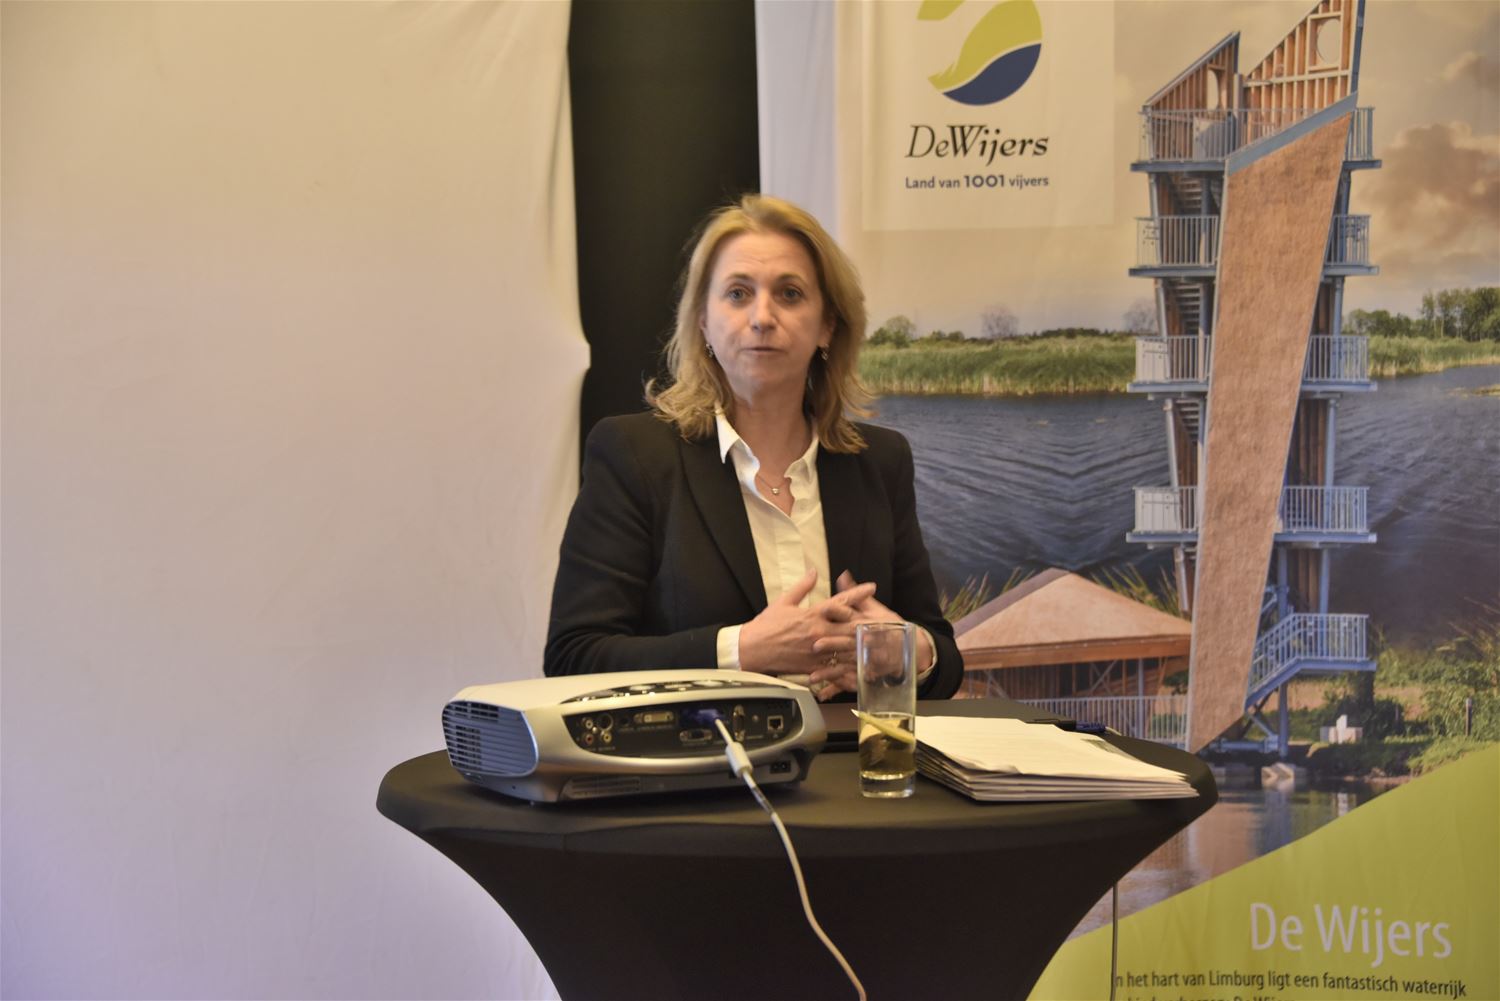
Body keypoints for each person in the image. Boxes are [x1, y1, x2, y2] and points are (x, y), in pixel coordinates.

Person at [543, 194, 962, 700]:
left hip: (854, 749)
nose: (762, 316)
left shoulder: (880, 461)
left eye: (790, 293)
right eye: (738, 294)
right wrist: (741, 650)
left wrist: (908, 653)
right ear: (703, 320)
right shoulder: (634, 455)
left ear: (827, 325)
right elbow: (574, 658)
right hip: (702, 751)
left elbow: (944, 658)